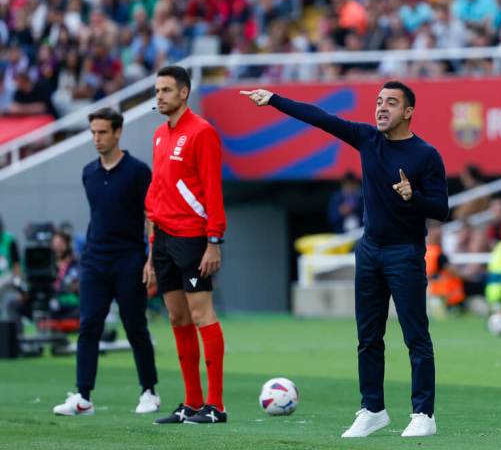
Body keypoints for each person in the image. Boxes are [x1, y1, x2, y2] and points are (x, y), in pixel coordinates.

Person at [241, 81, 448, 438]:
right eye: (379, 101)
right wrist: (274, 100)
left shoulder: (425, 155)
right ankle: (372, 409)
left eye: (391, 103)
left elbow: (441, 209)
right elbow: (322, 118)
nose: (381, 108)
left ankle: (423, 414)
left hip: (404, 252)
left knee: (415, 336)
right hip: (369, 249)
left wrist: (414, 196)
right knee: (368, 337)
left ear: (409, 111)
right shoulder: (367, 139)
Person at [53, 107, 159, 416]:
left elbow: (151, 217)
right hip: (95, 261)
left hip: (129, 260)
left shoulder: (138, 171)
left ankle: (149, 392)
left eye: (102, 132)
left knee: (135, 327)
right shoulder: (89, 172)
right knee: (89, 327)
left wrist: (151, 258)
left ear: (117, 132)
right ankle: (83, 397)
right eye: (93, 133)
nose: (97, 138)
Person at [148, 66, 227, 425]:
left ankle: (216, 405)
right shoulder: (159, 135)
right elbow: (158, 192)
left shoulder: (203, 132)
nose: (160, 96)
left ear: (184, 93)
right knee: (177, 317)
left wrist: (214, 241)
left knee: (200, 315)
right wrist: (152, 250)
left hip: (193, 238)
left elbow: (212, 188)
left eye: (166, 90)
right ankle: (191, 404)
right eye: (157, 90)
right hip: (163, 239)